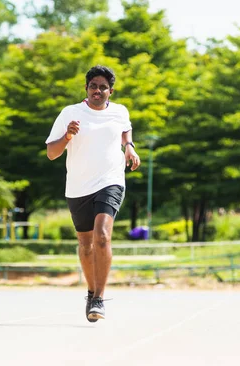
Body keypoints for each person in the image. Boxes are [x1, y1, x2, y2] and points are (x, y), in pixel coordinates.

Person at [45, 65, 140, 322]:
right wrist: (67, 136)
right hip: (78, 187)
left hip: (110, 181)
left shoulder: (119, 112)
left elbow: (124, 128)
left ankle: (99, 297)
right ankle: (90, 291)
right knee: (85, 246)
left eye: (103, 87)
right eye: (93, 86)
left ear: (111, 91)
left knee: (103, 236)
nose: (98, 91)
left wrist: (129, 147)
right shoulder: (70, 113)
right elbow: (52, 153)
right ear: (86, 89)